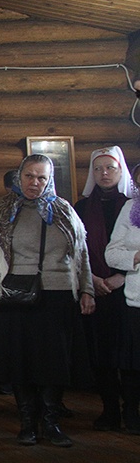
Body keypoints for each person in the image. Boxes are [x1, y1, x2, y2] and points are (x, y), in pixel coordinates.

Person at [0, 154, 94, 447]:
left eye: (42, 177)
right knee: (21, 362)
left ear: (50, 179)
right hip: (16, 295)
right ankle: (27, 422)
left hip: (57, 295)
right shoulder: (2, 212)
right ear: (20, 176)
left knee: (54, 362)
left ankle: (51, 421)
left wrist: (87, 290)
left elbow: (81, 254)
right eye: (29, 176)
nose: (35, 183)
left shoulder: (65, 211)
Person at [75, 146, 134, 430]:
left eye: (110, 168)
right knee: (103, 354)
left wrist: (120, 276)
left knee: (130, 353)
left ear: (120, 171)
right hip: (95, 288)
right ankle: (110, 409)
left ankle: (132, 410)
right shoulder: (82, 207)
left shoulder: (132, 206)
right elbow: (76, 251)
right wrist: (93, 281)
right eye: (98, 169)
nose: (104, 173)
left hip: (129, 289)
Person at [103, 164, 140, 434]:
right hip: (136, 301)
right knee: (133, 365)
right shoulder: (131, 210)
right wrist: (136, 257)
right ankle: (132, 412)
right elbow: (112, 254)